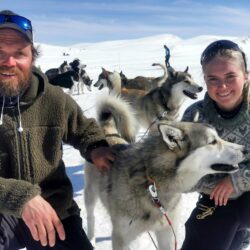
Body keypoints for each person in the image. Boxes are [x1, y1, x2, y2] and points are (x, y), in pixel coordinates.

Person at [0, 10, 114, 250]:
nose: (9, 62)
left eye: (19, 53)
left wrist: (97, 149)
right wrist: (20, 197)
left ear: (32, 57)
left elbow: (84, 130)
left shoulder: (53, 99)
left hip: (52, 207)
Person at [181, 39, 250, 250]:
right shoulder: (194, 116)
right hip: (216, 200)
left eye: (230, 76)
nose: (222, 87)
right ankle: (238, 236)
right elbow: (182, 175)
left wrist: (236, 180)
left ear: (246, 76)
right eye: (213, 79)